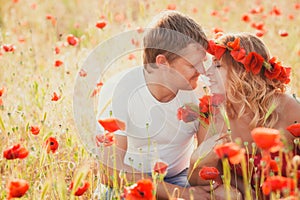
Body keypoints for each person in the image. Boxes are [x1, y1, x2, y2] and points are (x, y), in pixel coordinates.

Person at [188, 32, 300, 199]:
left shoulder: (288, 107)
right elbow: (196, 178)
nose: (208, 72)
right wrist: (199, 160)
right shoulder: (218, 114)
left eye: (218, 66)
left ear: (243, 72)